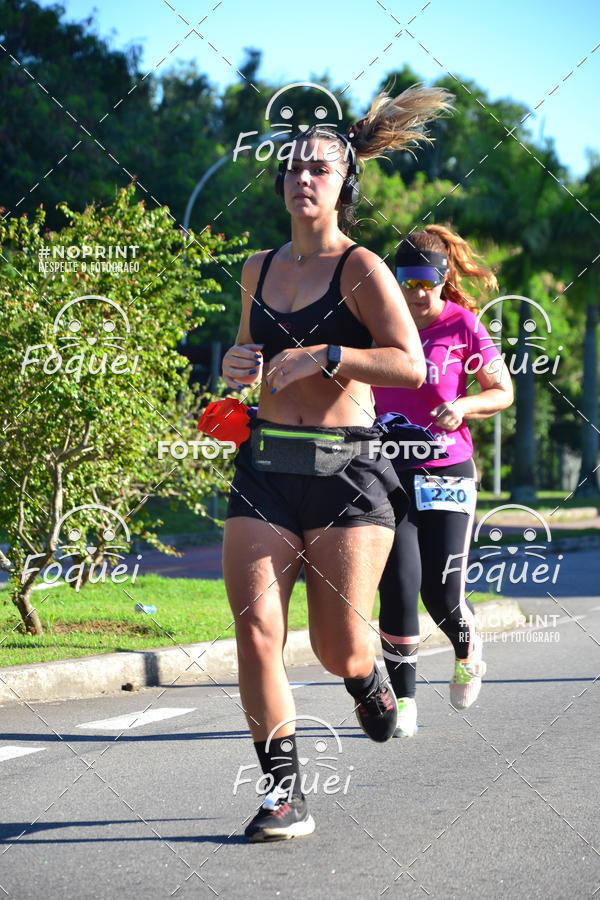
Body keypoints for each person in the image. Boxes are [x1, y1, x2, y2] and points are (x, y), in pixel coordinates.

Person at [219, 87, 453, 841]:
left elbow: (410, 365)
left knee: (335, 647)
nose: (303, 178)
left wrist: (330, 355)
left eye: (319, 169)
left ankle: (366, 681)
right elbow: (251, 360)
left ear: (342, 187)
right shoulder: (256, 269)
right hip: (266, 469)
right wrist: (237, 365)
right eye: (293, 166)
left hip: (347, 474)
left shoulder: (364, 269)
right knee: (256, 627)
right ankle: (284, 795)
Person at [374, 225, 513, 737]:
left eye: (424, 285)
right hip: (386, 472)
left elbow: (502, 390)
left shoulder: (462, 325)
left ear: (442, 279)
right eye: (406, 284)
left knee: (442, 592)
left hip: (446, 470)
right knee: (399, 583)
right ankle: (404, 703)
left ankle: (466, 645)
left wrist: (465, 405)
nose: (415, 296)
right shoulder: (380, 327)